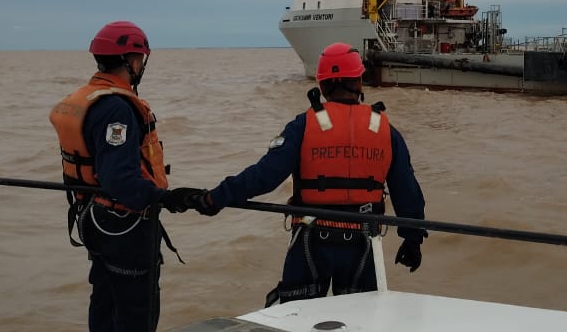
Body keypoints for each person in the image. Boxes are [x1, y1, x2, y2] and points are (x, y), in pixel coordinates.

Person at [182, 42, 426, 305]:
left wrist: (213, 199)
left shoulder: (303, 125)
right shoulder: (386, 131)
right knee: (362, 318)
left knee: (297, 317)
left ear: (322, 86)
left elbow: (264, 176)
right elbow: (407, 191)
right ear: (359, 81)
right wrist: (412, 240)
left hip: (311, 241)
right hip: (364, 245)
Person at [49, 20, 204, 332]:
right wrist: (165, 198)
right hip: (124, 226)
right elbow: (117, 177)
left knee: (104, 300)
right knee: (136, 312)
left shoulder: (87, 98)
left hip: (92, 218)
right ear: (133, 62)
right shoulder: (116, 109)